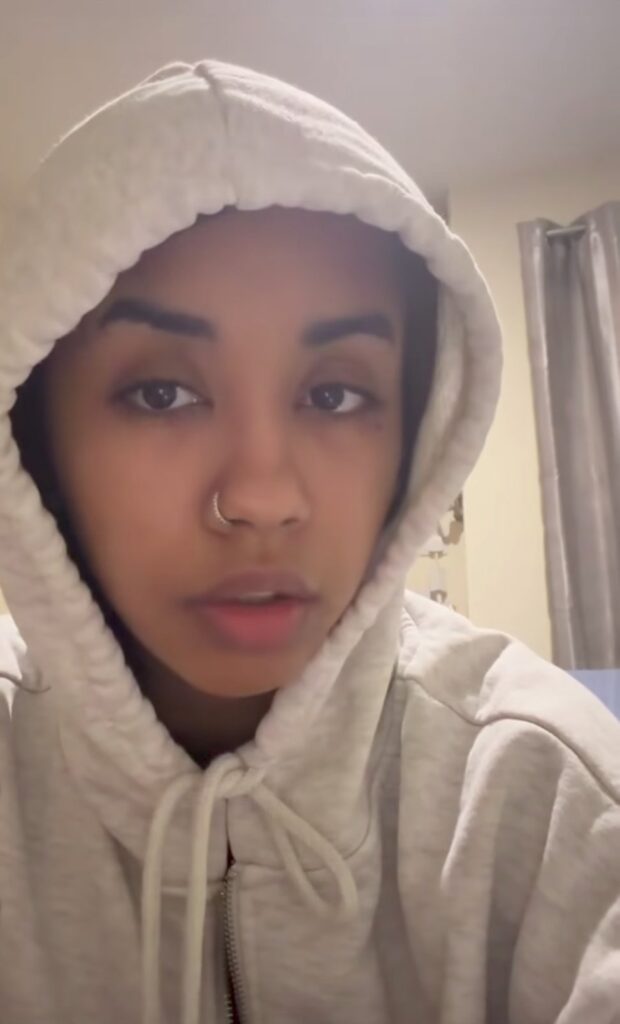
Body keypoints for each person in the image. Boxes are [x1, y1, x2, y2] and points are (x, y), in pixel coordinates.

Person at [0, 59, 618, 1024]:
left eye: (334, 394)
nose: (261, 498)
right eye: (162, 393)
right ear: (36, 448)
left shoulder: (542, 797)